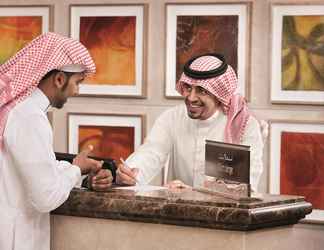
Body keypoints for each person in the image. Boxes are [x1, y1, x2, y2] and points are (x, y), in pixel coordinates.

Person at [0, 33, 112, 250]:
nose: (77, 91)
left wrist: (80, 172)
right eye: (77, 82)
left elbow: (29, 169)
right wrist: (75, 170)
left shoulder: (16, 111)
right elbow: (46, 196)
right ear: (59, 79)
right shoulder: (29, 117)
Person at [116, 53, 263, 191]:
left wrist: (193, 193)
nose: (191, 97)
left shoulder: (244, 125)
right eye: (188, 88)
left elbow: (246, 185)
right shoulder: (172, 117)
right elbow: (151, 152)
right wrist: (131, 174)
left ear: (219, 95)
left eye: (202, 91)